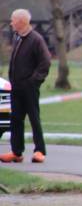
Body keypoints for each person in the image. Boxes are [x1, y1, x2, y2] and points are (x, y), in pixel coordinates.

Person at [1, 9, 51, 163]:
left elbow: (45, 62)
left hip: (29, 87)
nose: (11, 23)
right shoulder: (18, 38)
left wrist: (34, 81)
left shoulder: (36, 39)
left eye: (13, 20)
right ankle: (17, 151)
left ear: (21, 21)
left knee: (34, 118)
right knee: (15, 119)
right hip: (16, 87)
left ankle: (39, 151)